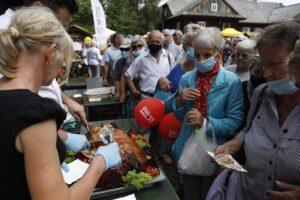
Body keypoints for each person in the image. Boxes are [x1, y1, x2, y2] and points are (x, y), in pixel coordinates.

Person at [0, 7, 121, 200]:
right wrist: (100, 162)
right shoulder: (36, 112)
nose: (60, 72)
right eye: (62, 62)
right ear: (50, 54)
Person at [212, 21, 300, 200]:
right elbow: (248, 129)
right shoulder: (261, 95)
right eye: (263, 65)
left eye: (275, 64)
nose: (267, 74)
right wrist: (234, 144)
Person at [172, 27, 244, 200]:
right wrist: (180, 101)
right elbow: (180, 117)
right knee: (190, 194)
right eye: (197, 55)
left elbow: (235, 122)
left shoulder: (231, 82)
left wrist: (205, 122)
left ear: (219, 54)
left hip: (216, 150)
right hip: (188, 147)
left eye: (207, 55)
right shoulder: (187, 79)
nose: (201, 59)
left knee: (211, 194)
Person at [125, 30, 176, 164]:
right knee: (145, 129)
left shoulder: (169, 56)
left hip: (164, 99)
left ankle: (163, 153)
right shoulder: (141, 58)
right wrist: (134, 89)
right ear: (147, 42)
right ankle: (143, 154)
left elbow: (175, 77)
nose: (154, 44)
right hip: (147, 99)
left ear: (162, 42)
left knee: (163, 128)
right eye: (152, 42)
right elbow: (127, 75)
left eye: (157, 42)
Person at [155, 24, 201, 113]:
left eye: (196, 45)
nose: (192, 49)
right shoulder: (180, 67)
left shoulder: (210, 72)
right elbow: (165, 85)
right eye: (189, 45)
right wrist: (161, 80)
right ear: (184, 47)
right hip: (173, 117)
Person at [225, 39, 257, 119]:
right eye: (237, 54)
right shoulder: (227, 69)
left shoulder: (253, 77)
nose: (240, 58)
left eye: (244, 56)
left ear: (253, 58)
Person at [112, 38, 132, 102]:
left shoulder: (139, 60)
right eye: (122, 49)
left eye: (126, 49)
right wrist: (118, 93)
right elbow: (117, 79)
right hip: (125, 92)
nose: (123, 52)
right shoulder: (119, 62)